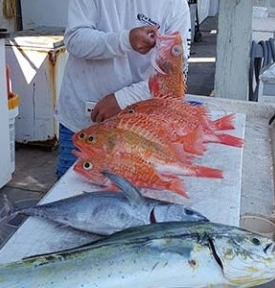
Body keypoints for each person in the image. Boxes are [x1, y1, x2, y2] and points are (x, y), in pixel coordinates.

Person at [56, 0, 191, 178]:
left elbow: (175, 74)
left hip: (139, 133)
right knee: (68, 194)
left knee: (131, 199)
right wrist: (125, 40)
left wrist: (123, 100)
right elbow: (75, 40)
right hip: (81, 122)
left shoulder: (174, 4)